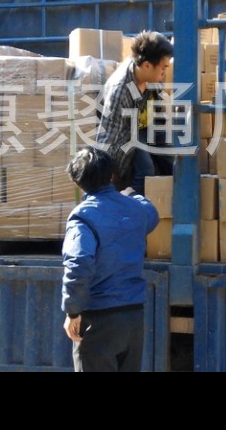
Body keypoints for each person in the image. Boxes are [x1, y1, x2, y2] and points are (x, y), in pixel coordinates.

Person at [61, 147, 160, 372]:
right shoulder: (136, 209)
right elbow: (151, 213)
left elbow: (78, 263)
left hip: (99, 320)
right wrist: (132, 195)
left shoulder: (82, 217)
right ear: (112, 176)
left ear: (76, 183)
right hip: (132, 317)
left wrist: (72, 312)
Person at [97, 31, 174, 195]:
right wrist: (101, 173)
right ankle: (134, 205)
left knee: (174, 161)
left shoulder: (152, 76)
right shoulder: (120, 91)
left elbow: (159, 107)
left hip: (150, 123)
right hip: (129, 131)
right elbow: (109, 132)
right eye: (163, 67)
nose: (164, 73)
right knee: (146, 170)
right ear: (147, 65)